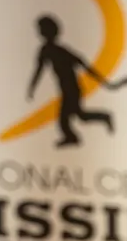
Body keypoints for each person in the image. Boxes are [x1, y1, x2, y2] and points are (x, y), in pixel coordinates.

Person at [26, 15, 114, 148]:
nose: (39, 31)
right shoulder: (45, 51)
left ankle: (73, 137)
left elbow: (83, 63)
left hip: (72, 88)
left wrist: (101, 80)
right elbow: (38, 70)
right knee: (80, 116)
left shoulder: (60, 50)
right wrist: (31, 87)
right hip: (65, 88)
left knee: (65, 118)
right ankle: (103, 118)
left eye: (41, 29)